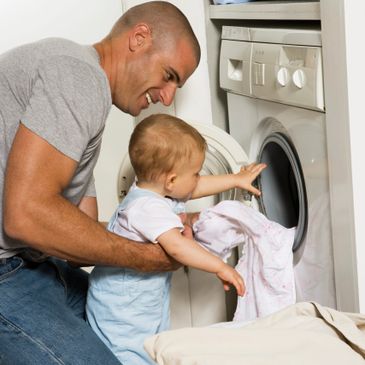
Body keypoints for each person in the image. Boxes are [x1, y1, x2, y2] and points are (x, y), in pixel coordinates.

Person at [0, 2, 201, 364]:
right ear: (139, 38)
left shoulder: (82, 84)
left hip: (29, 264)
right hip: (6, 274)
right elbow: (25, 215)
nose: (168, 97)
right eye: (169, 75)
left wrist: (161, 226)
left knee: (125, 328)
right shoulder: (78, 78)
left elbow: (77, 240)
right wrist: (150, 258)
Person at [86, 114, 266, 365]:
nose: (198, 178)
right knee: (128, 357)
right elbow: (178, 247)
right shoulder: (146, 208)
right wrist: (220, 266)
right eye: (195, 173)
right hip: (122, 313)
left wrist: (236, 179)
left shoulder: (157, 193)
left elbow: (196, 186)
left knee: (153, 348)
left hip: (142, 303)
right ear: (171, 181)